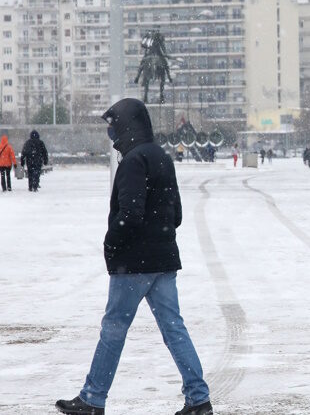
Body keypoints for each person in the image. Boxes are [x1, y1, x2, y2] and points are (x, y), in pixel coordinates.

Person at [56, 98, 212, 415]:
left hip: (134, 265)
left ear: (127, 125)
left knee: (113, 330)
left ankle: (92, 399)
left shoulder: (133, 162)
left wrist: (111, 245)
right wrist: (159, 233)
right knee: (174, 329)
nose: (111, 132)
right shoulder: (163, 158)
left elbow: (129, 215)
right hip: (164, 261)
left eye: (113, 125)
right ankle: (199, 399)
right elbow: (177, 214)